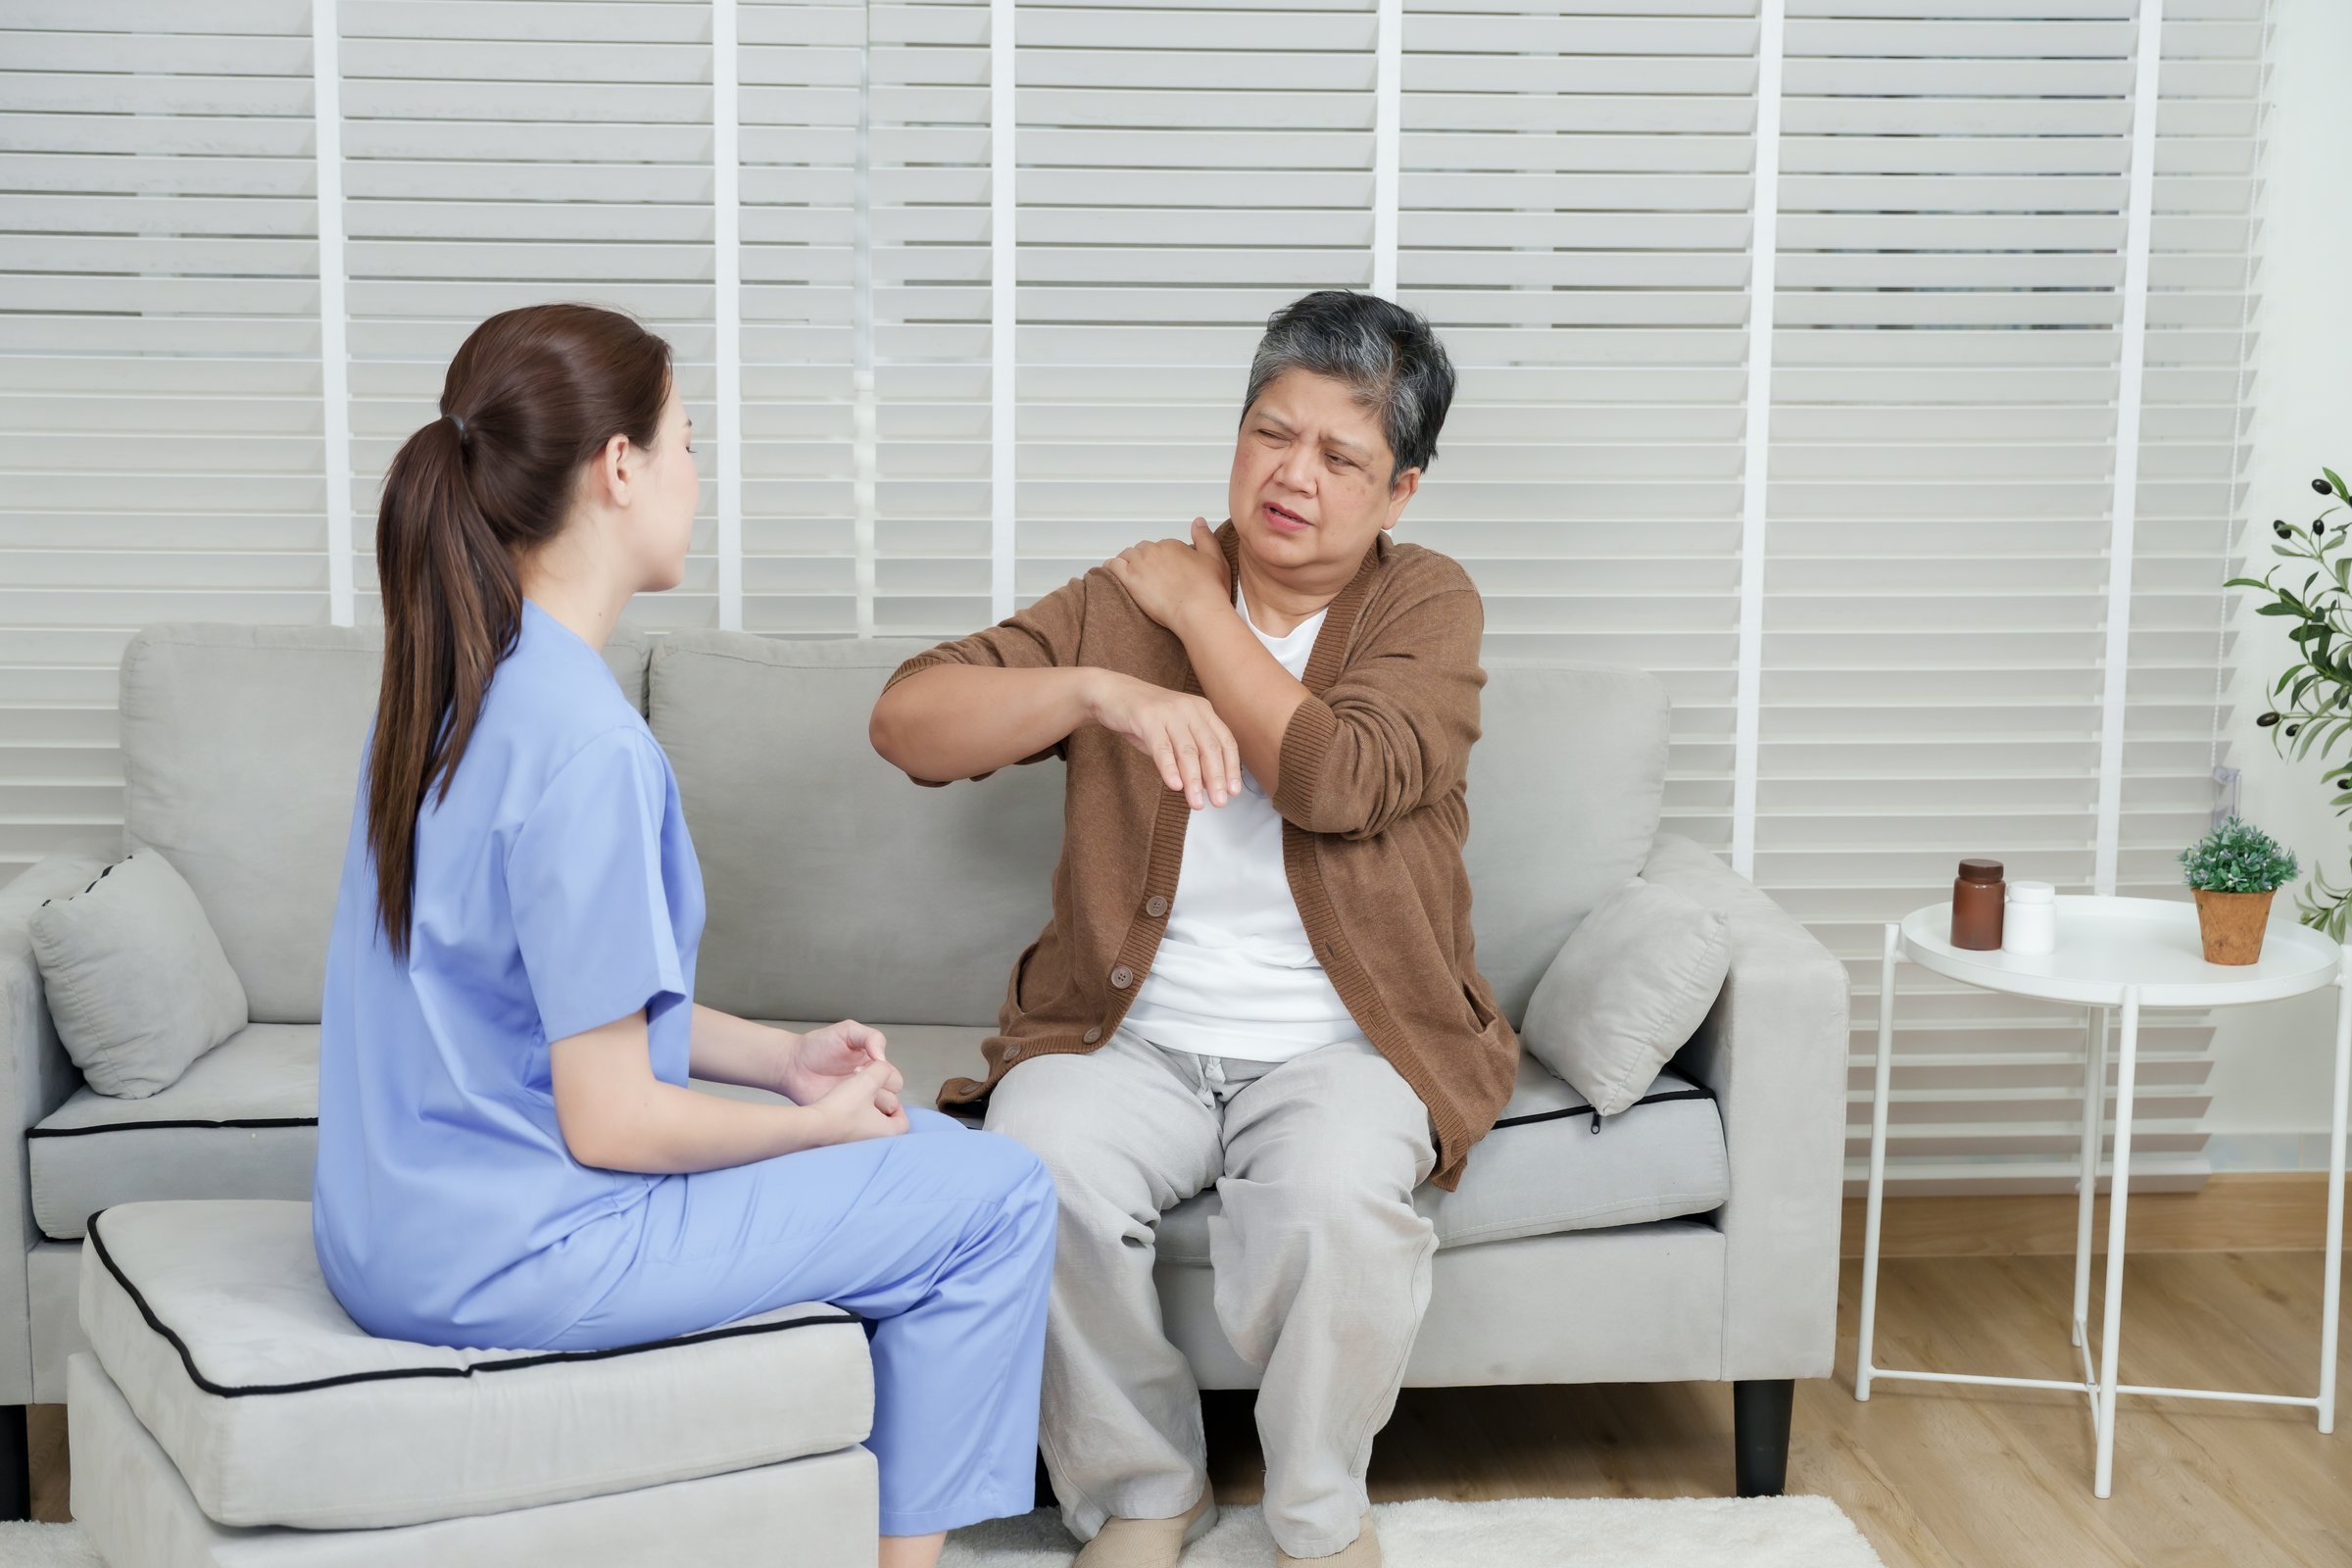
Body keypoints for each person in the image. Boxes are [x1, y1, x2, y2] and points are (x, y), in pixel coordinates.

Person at [311, 302, 1054, 1568]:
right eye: (688, 444)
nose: (696, 477)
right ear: (617, 470)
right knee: (997, 1195)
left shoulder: (450, 683)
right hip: (518, 1252)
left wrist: (780, 1059)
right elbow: (611, 1123)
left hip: (382, 1234)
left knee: (918, 1159)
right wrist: (813, 1132)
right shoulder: (586, 743)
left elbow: (552, 1000)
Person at [868, 291, 1516, 1568]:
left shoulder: (1424, 607)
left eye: (1341, 457)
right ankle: (1144, 1491)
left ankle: (1318, 1514)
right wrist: (1097, 685)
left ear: (1400, 494)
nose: (1294, 475)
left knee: (1333, 1205)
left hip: (1346, 1043)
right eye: (1272, 434)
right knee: (1031, 1166)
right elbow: (908, 719)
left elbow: (1334, 780)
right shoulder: (1127, 603)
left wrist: (1203, 615)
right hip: (1134, 1041)